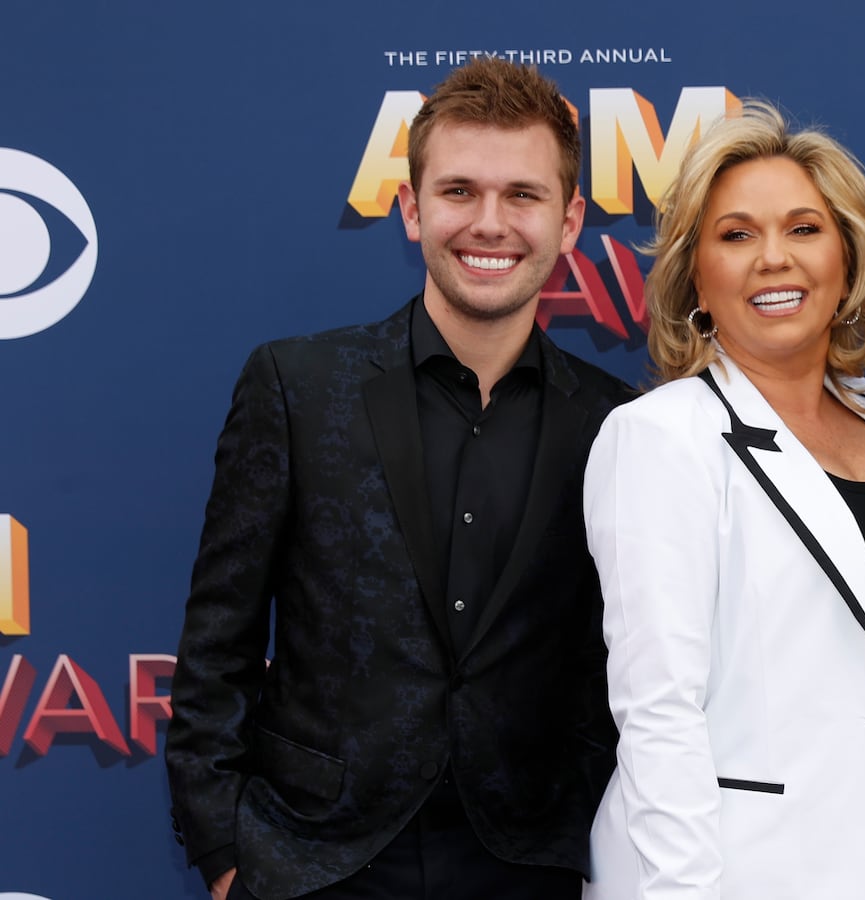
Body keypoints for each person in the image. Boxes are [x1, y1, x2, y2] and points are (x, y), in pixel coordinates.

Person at [165, 58, 631, 900]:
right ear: (412, 210)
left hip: (529, 865)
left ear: (569, 222)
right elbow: (216, 648)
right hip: (313, 861)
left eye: (522, 195)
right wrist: (224, 852)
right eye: (459, 192)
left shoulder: (619, 424)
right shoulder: (296, 386)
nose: (490, 223)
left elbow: (626, 664)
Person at [580, 102, 865, 900]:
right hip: (737, 873)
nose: (773, 258)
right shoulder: (660, 437)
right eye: (737, 235)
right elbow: (658, 714)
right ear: (696, 276)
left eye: (805, 229)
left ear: (847, 259)